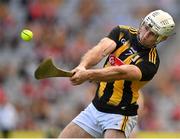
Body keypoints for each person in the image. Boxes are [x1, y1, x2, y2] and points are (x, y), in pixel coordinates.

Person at [59, 10, 175, 138]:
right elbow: (100, 50)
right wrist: (82, 66)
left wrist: (88, 74)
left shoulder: (151, 63)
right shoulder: (122, 32)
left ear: (162, 38)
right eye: (146, 27)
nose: (145, 35)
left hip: (119, 115)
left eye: (152, 34)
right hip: (95, 107)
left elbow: (119, 72)